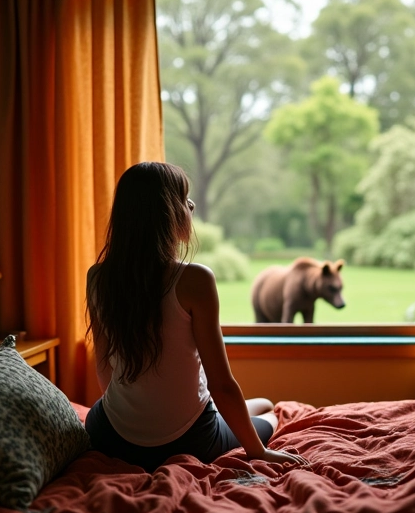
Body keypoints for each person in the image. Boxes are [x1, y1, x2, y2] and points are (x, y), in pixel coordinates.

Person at [85, 161, 309, 473]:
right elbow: (222, 384)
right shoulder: (194, 279)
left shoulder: (97, 278)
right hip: (189, 439)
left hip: (113, 435)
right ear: (165, 213)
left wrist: (139, 415)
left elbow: (103, 366)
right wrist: (259, 453)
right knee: (270, 410)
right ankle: (262, 419)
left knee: (253, 405)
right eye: (184, 198)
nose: (190, 205)